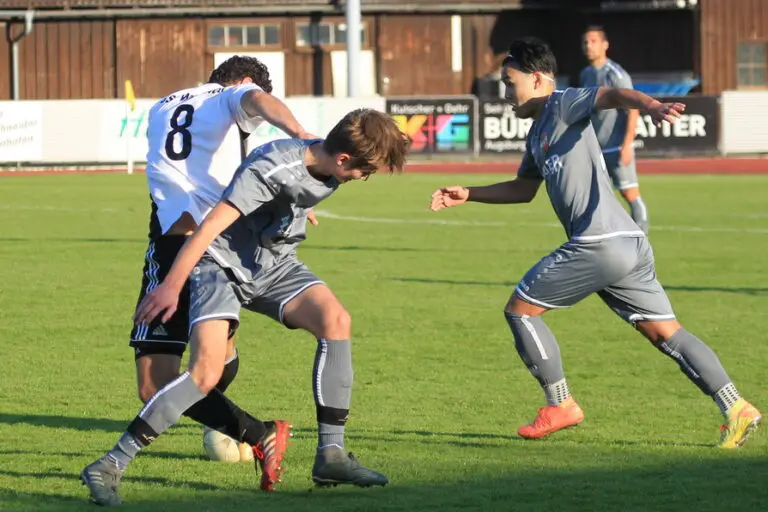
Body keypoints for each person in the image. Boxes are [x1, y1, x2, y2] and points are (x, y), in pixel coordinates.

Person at [429, 37, 761, 448]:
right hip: (626, 243)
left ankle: (561, 403)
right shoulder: (536, 136)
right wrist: (470, 193)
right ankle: (737, 407)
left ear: (537, 79)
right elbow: (522, 189)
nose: (505, 91)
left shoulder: (562, 102)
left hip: (598, 242)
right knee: (665, 334)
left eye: (509, 81)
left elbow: (613, 95)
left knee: (521, 311)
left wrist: (651, 105)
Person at [82, 108, 410, 506]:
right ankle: (111, 464)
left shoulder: (325, 165)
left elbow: (297, 190)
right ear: (343, 159)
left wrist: (298, 209)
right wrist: (170, 286)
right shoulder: (271, 167)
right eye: (365, 171)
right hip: (221, 266)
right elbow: (209, 227)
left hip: (273, 265)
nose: (365, 178)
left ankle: (331, 455)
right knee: (204, 374)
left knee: (336, 320)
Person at [129, 55, 319, 465]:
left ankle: (251, 429)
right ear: (247, 82)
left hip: (176, 243)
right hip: (217, 246)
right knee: (188, 370)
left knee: (155, 383)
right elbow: (257, 101)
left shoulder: (164, 104)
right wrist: (302, 136)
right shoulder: (233, 96)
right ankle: (253, 429)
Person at [579, 26, 648, 233]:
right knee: (596, 198)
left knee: (630, 195)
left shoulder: (615, 74)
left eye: (593, 41)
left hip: (615, 147)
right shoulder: (586, 74)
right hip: (595, 148)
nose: (588, 46)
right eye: (585, 42)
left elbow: (633, 110)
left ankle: (642, 240)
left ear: (605, 45)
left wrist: (627, 145)